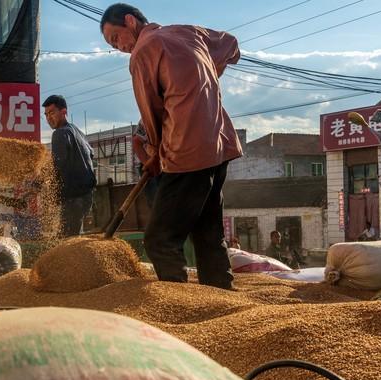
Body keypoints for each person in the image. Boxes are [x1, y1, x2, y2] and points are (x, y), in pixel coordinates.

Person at [101, 4, 242, 289]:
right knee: (208, 232)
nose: (119, 47)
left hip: (186, 151)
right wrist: (207, 78)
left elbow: (150, 113)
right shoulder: (189, 32)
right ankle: (221, 296)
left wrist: (154, 156)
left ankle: (177, 304)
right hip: (219, 144)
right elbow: (231, 45)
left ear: (130, 21)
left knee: (160, 240)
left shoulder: (143, 51)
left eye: (116, 38)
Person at [42, 95, 97, 236]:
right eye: (46, 114)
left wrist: (39, 184)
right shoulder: (77, 132)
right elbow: (91, 154)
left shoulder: (59, 134)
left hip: (73, 198)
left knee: (66, 241)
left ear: (64, 112)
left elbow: (56, 165)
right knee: (74, 236)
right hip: (86, 197)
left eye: (52, 112)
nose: (49, 118)